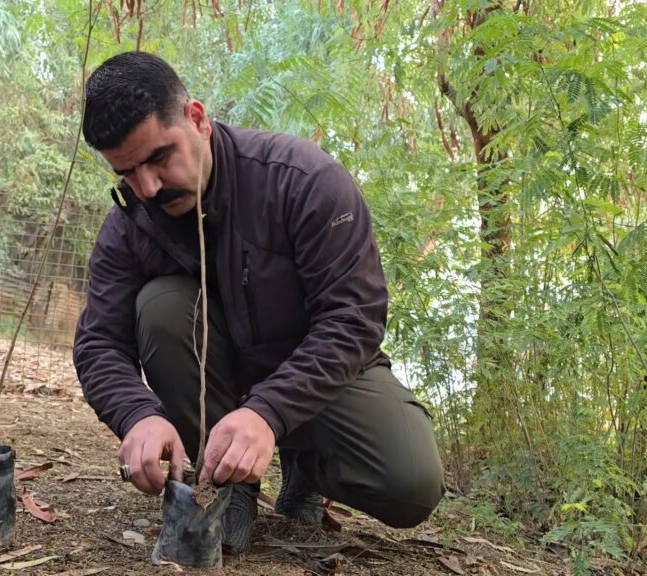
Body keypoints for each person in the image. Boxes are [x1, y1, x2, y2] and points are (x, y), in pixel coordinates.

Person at [73, 51, 444, 554]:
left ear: (197, 119)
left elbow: (354, 319)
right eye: (128, 173)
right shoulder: (129, 223)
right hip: (219, 377)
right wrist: (137, 415)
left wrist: (269, 413)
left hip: (313, 377)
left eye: (160, 157)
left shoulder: (303, 181)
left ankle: (305, 466)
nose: (149, 187)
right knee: (160, 305)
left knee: (410, 484)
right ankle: (228, 484)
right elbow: (98, 343)